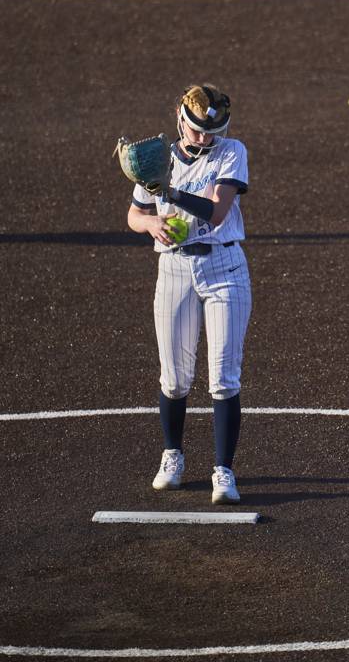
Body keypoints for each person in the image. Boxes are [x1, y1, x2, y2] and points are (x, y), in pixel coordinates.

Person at [126, 83, 252, 504]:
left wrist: (171, 192)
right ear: (180, 118)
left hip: (224, 270)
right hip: (174, 268)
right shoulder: (157, 158)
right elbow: (135, 214)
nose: (204, 138)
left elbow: (217, 213)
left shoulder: (232, 150)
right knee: (175, 378)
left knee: (223, 378)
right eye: (197, 130)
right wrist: (151, 225)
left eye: (211, 131)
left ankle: (223, 471)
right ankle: (172, 456)